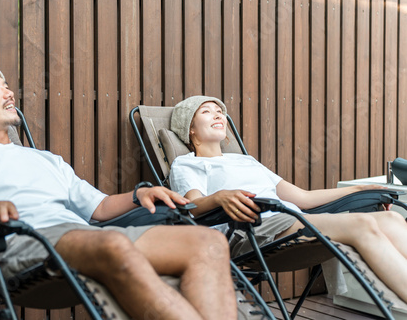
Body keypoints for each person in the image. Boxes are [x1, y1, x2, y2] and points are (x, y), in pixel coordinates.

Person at [0, 67, 238, 320]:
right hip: (17, 245)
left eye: (6, 86)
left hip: (83, 237)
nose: (9, 92)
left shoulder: (45, 159)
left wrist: (140, 194)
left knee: (208, 242)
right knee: (110, 242)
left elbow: (97, 207)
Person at [168, 95, 407, 303]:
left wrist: (358, 190)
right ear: (190, 128)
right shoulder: (187, 163)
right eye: (206, 112)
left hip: (291, 219)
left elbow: (303, 197)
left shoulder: (245, 160)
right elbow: (191, 207)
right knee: (362, 224)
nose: (217, 115)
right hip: (252, 230)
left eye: (220, 111)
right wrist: (220, 197)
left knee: (391, 219)